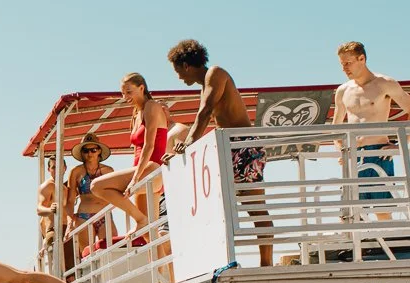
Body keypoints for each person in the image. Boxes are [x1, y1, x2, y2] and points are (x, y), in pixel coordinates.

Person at [166, 39, 275, 267]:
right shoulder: (204, 85)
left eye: (177, 71)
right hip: (226, 147)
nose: (178, 77)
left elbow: (204, 114)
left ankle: (266, 264)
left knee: (254, 206)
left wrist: (185, 145)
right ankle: (223, 259)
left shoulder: (215, 74)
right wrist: (181, 153)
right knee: (218, 207)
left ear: (186, 65)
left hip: (243, 146)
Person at [332, 40, 410, 221]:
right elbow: (336, 127)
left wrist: (402, 145)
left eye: (348, 63)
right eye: (342, 64)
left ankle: (388, 247)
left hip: (379, 153)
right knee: (349, 214)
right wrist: (341, 150)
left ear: (361, 59)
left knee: (382, 210)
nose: (345, 68)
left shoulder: (384, 83)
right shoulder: (343, 91)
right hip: (353, 155)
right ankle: (356, 249)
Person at [86, 74, 170, 233]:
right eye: (123, 93)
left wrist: (135, 179)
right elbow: (136, 151)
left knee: (96, 185)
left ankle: (140, 219)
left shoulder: (152, 106)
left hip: (152, 170)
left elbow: (149, 146)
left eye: (129, 92)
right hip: (141, 170)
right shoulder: (135, 114)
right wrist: (133, 175)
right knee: (148, 235)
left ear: (141, 88)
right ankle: (167, 257)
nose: (125, 97)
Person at [61, 133, 114, 256]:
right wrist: (69, 223)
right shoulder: (76, 171)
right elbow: (70, 201)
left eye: (93, 150)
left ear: (99, 151)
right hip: (83, 217)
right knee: (86, 256)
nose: (89, 154)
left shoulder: (109, 171)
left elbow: (116, 194)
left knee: (110, 252)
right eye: (85, 151)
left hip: (104, 215)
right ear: (82, 153)